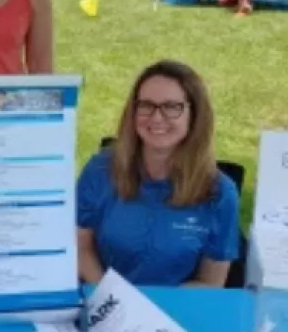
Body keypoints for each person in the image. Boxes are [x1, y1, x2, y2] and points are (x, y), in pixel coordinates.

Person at [76, 60, 240, 287]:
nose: (156, 117)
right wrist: (110, 298)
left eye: (172, 107)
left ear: (194, 115)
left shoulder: (220, 193)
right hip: (104, 302)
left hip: (175, 310)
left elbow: (210, 282)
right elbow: (80, 246)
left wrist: (159, 310)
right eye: (146, 105)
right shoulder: (100, 170)